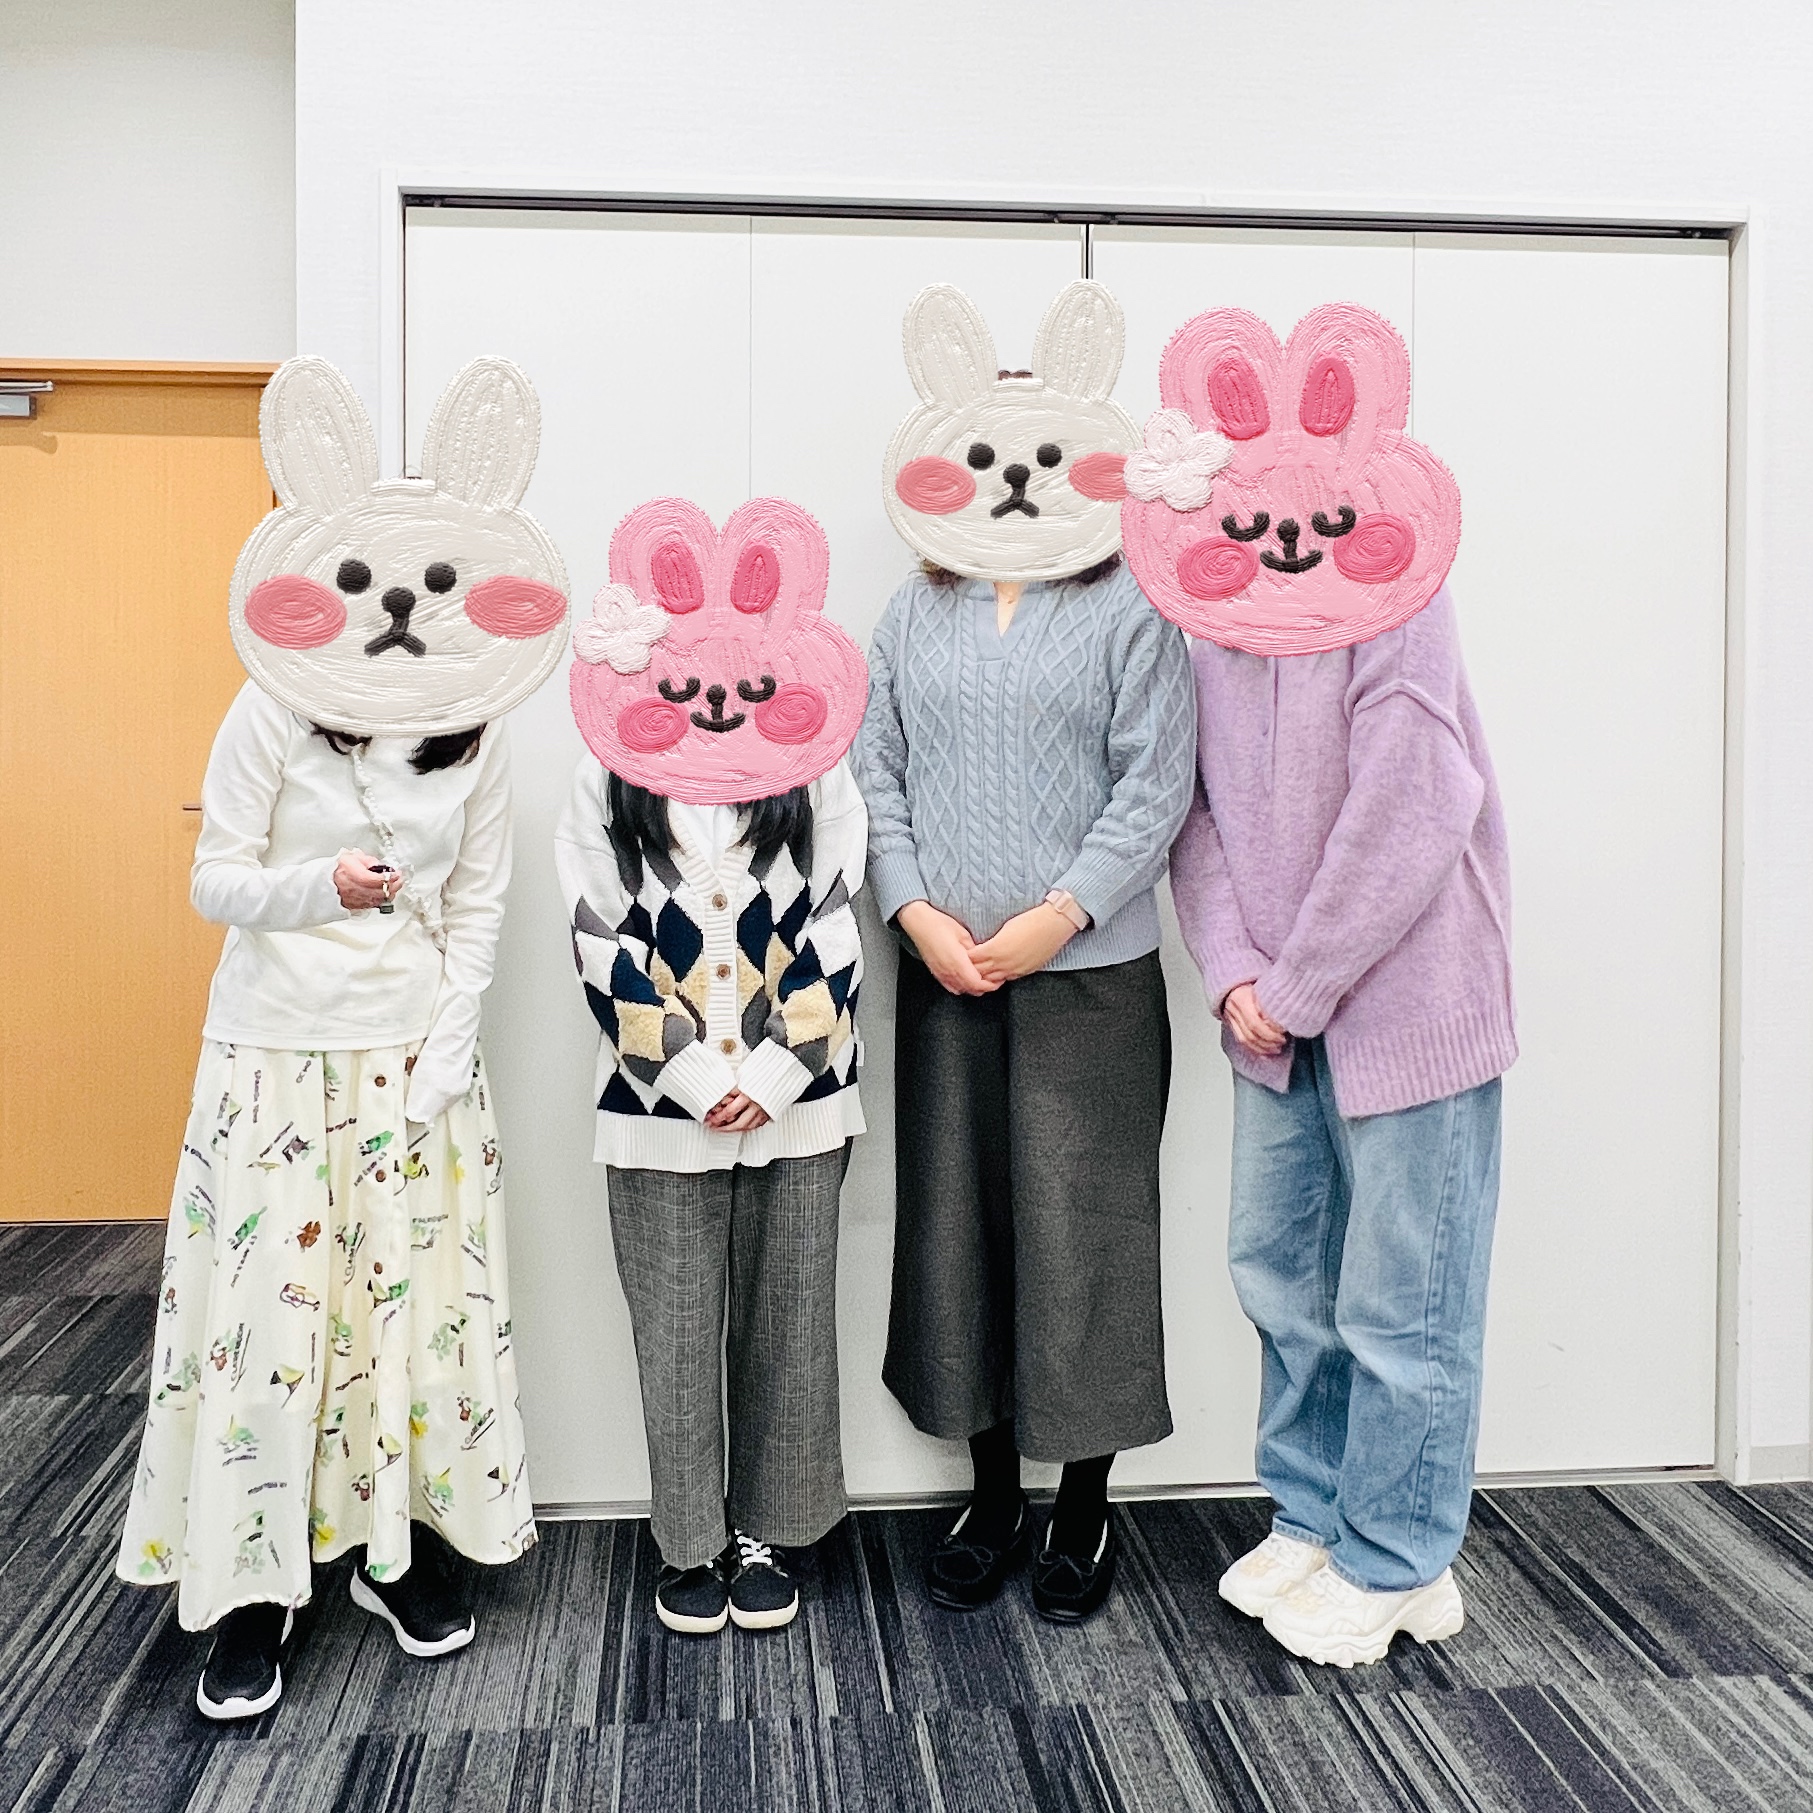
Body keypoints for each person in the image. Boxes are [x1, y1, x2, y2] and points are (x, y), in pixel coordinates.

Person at [117, 354, 562, 1717]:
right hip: (273, 1060)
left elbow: (480, 906)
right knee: (266, 1325)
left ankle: (396, 1550)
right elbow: (214, 882)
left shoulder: (476, 730)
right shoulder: (269, 708)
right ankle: (253, 1585)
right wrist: (324, 886)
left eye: (426, 583)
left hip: (412, 1064)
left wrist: (445, 1049)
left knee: (409, 1324)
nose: (396, 608)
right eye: (367, 580)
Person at [1125, 301, 1516, 1667]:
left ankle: (1399, 1557)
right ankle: (1314, 1512)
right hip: (1273, 1015)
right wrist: (1238, 971)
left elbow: (1414, 803)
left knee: (1405, 1299)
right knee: (1281, 1275)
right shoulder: (1209, 618)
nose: (1283, 533)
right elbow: (1189, 814)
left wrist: (1293, 983)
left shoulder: (1401, 605)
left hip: (1409, 1006)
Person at [559, 493, 871, 1636]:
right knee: (677, 1328)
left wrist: (777, 1073)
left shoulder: (817, 771)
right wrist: (695, 1077)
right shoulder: (605, 780)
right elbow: (597, 942)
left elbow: (840, 923)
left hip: (804, 1102)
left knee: (791, 1321)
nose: (715, 696)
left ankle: (768, 1529)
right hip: (655, 1110)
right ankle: (687, 1537)